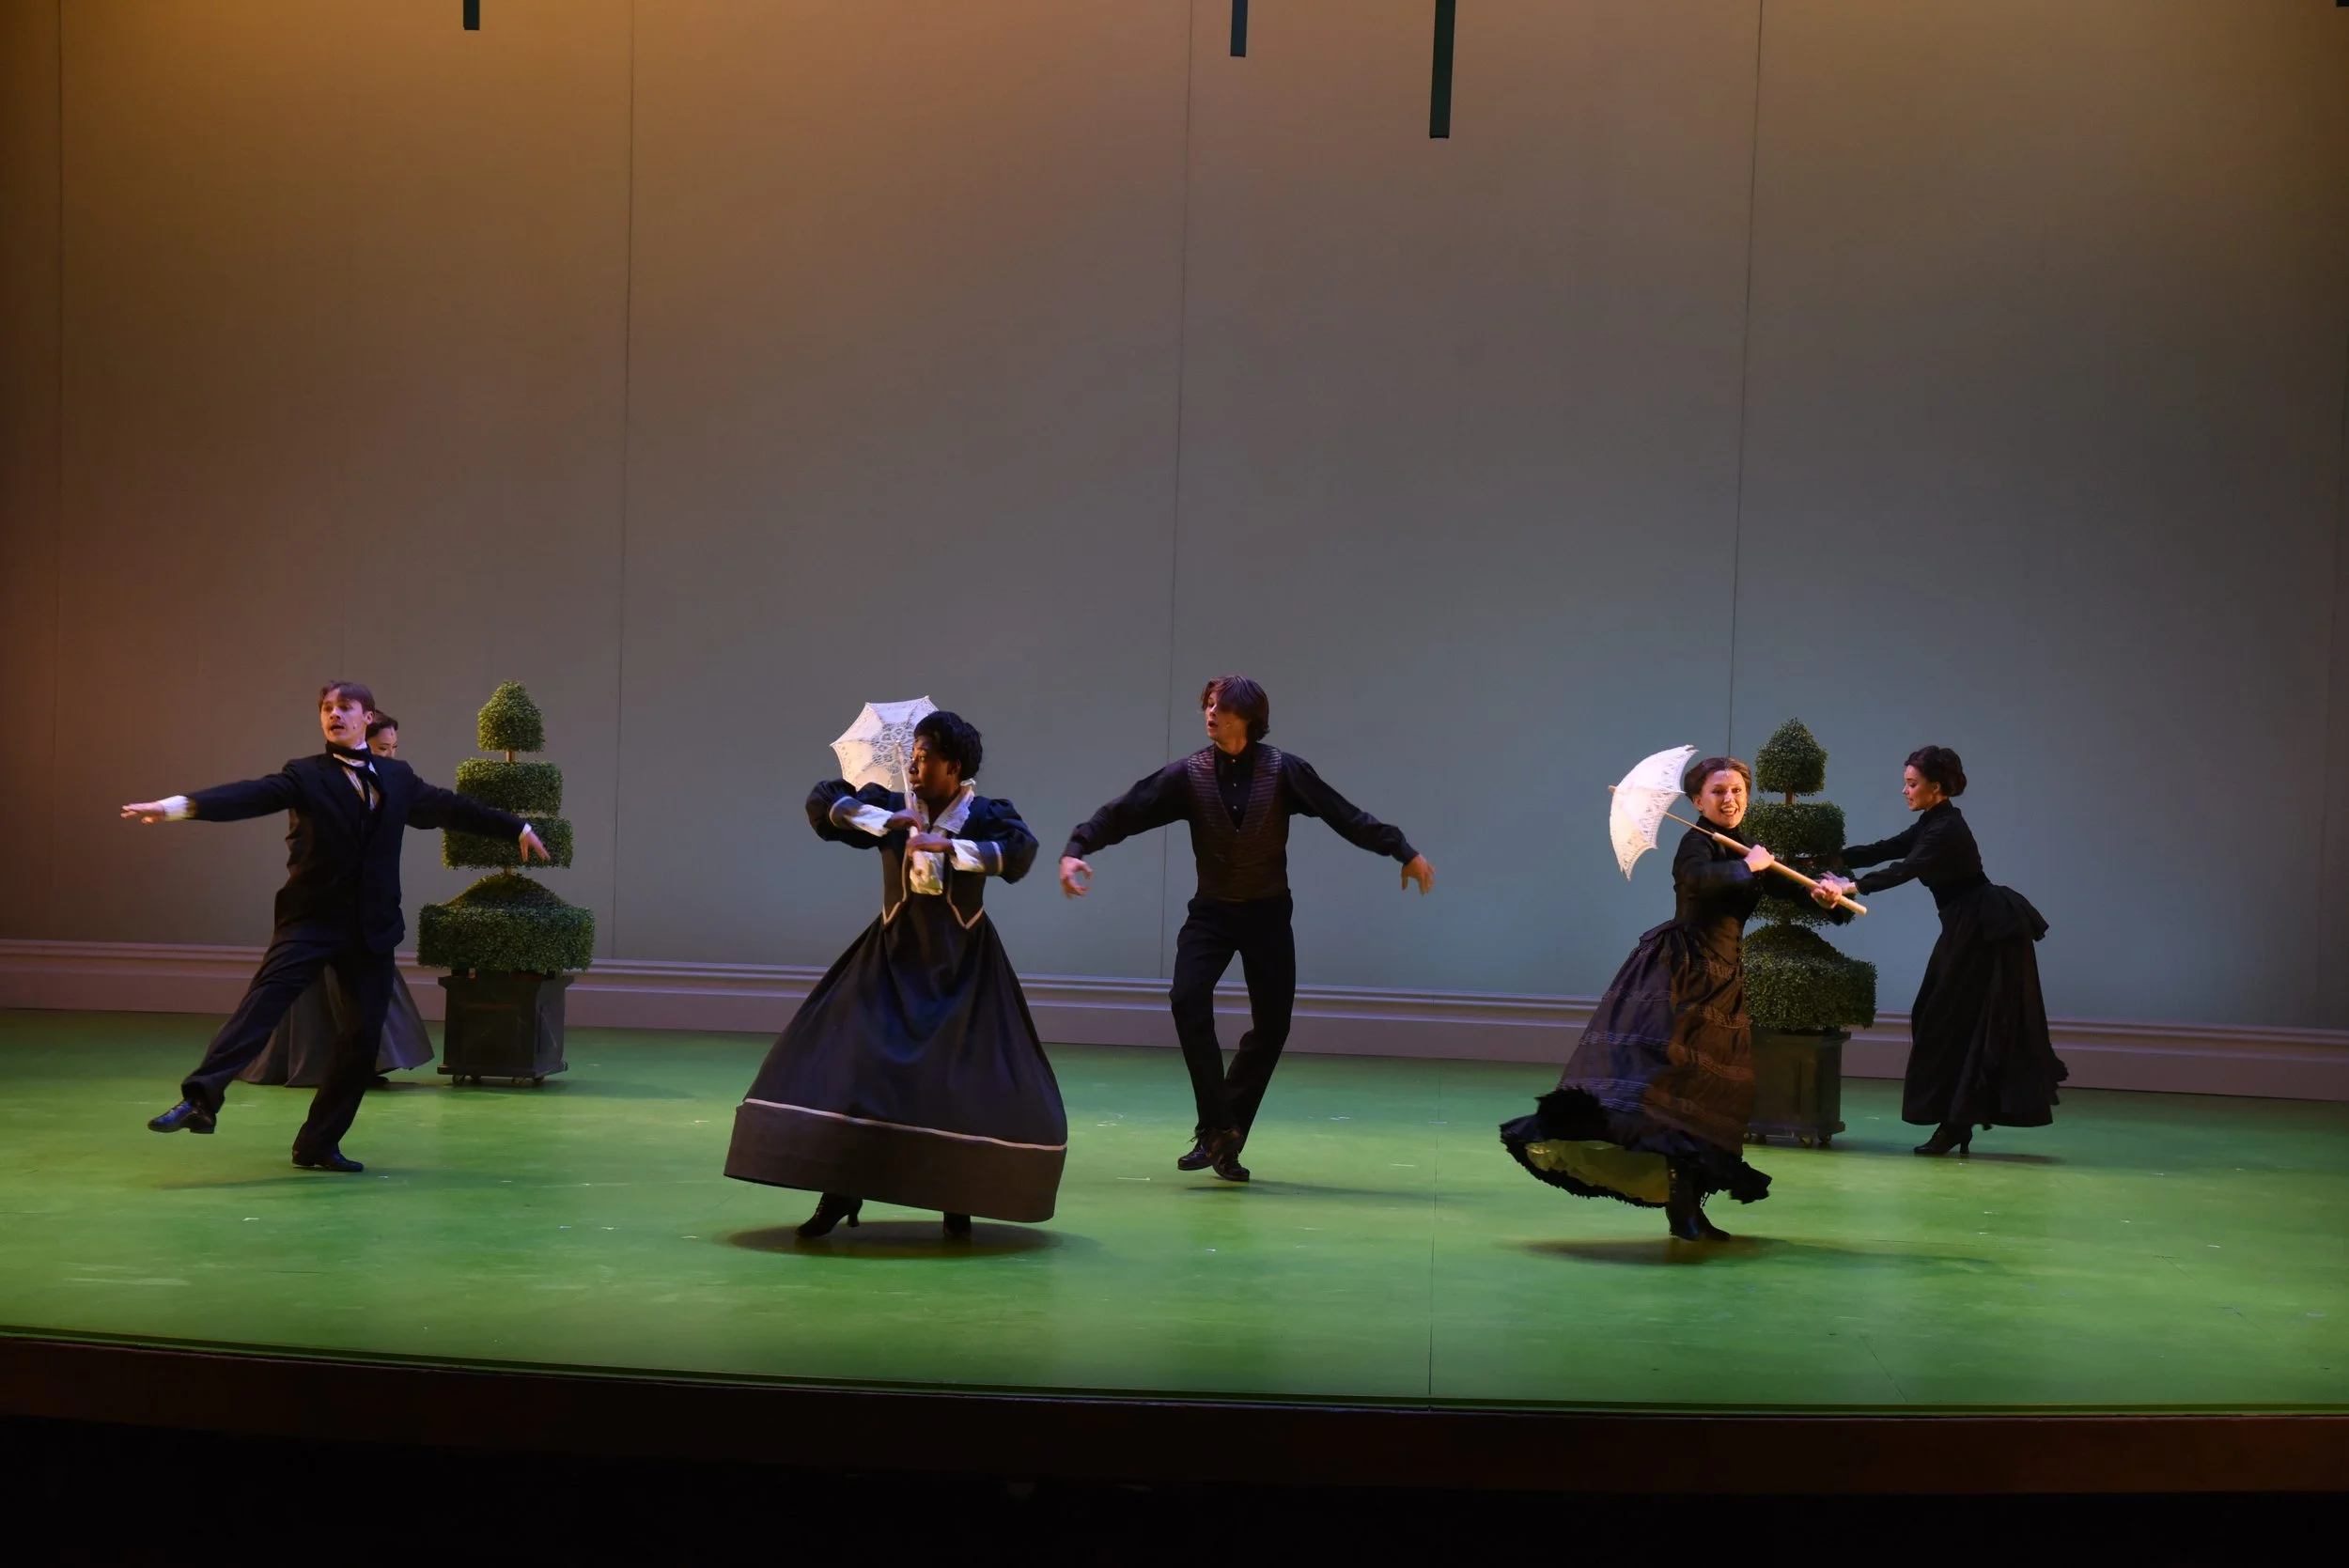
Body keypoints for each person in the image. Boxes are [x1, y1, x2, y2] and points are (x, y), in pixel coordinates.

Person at [125, 682, 548, 1172]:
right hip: (312, 919)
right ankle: (200, 1101)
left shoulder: (397, 776)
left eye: (344, 708)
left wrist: (515, 827)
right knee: (262, 1005)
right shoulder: (305, 775)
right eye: (327, 708)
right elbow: (250, 796)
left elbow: (454, 808)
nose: (334, 715)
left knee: (360, 1040)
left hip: (371, 928)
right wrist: (179, 807)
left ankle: (318, 1145)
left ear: (367, 717)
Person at [1060, 676, 1434, 1183]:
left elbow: (1343, 814)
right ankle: (1218, 1126)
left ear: (1248, 718)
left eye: (1222, 708)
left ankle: (1222, 1136)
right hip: (1211, 914)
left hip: (1267, 916)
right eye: (1208, 706)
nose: (1211, 714)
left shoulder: (1283, 771)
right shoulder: (1189, 775)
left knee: (1273, 1026)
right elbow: (1130, 809)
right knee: (1186, 999)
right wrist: (1077, 848)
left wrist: (1402, 850)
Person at [724, 711, 1064, 1238]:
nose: (914, 764)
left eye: (925, 756)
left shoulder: (984, 814)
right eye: (914, 755)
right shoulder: (890, 804)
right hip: (891, 959)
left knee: (962, 1081)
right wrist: (883, 822)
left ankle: (959, 1198)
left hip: (962, 966)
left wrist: (950, 847)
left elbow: (1022, 852)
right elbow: (822, 802)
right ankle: (840, 1190)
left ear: (954, 766)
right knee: (857, 1068)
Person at [1500, 755, 1819, 1241]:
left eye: (1736, 791)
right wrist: (1749, 868)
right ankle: (1684, 1214)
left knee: (1709, 1095)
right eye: (1717, 792)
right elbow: (1699, 883)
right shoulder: (1695, 844)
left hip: (1724, 981)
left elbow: (1790, 887)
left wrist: (1827, 893)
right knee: (1673, 1090)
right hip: (1683, 976)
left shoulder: (1743, 848)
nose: (1729, 799)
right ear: (1696, 800)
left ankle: (1688, 1209)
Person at [1813, 746, 2063, 1156]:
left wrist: (1847, 887)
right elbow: (1888, 848)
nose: (1905, 790)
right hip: (1967, 926)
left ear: (1937, 786)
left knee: (1951, 1020)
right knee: (1943, 1018)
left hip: (1984, 930)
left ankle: (1956, 1123)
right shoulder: (1934, 820)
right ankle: (1956, 1121)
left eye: (1912, 783)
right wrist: (1828, 859)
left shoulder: (1946, 829)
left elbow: (1906, 869)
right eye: (1906, 782)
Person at [237, 712, 432, 1089]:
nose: (388, 757)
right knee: (323, 988)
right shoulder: (321, 782)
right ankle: (335, 1066)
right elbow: (302, 842)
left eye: (393, 749)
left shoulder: (387, 784)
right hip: (324, 905)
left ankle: (359, 1065)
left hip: (363, 912)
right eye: (381, 749)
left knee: (361, 991)